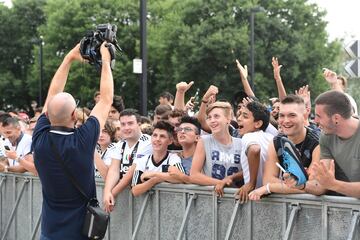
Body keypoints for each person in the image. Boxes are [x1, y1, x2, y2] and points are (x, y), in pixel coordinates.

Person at [32, 42, 113, 240]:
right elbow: (106, 100)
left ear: (47, 116)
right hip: (79, 233)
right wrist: (106, 61)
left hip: (50, 232)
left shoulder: (40, 138)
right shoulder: (83, 141)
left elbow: (52, 95)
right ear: (74, 116)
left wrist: (68, 58)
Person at [249, 95, 324, 200]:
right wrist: (296, 184)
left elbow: (313, 186)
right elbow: (268, 179)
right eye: (282, 115)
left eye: (292, 115)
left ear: (304, 115)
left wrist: (270, 188)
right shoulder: (276, 142)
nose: (286, 120)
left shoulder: (318, 142)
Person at [312, 90, 360, 197]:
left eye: (319, 116)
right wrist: (299, 184)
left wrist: (334, 184)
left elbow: (329, 183)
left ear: (336, 118)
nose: (315, 121)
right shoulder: (326, 137)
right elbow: (321, 186)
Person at [103, 109, 152, 212]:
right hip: (126, 200)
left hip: (144, 199)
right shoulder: (120, 145)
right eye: (123, 124)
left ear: (139, 124)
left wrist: (112, 194)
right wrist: (107, 192)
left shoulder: (147, 142)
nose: (126, 128)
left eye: (130, 123)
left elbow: (131, 172)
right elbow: (114, 170)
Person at [190, 101, 243, 197]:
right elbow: (194, 175)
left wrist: (232, 178)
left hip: (236, 199)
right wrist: (221, 183)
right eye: (209, 117)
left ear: (228, 119)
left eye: (216, 116)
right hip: (212, 198)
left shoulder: (241, 143)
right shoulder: (204, 141)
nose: (212, 120)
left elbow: (247, 171)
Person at [131, 121, 184, 196]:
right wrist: (154, 180)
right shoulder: (142, 160)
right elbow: (135, 190)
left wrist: (154, 174)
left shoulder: (173, 158)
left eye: (162, 136)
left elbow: (181, 179)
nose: (157, 139)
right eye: (155, 135)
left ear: (170, 141)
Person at [236, 101, 273, 202]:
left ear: (257, 123)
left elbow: (255, 150)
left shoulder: (248, 136)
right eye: (239, 115)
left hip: (255, 197)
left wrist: (251, 183)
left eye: (245, 116)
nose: (239, 118)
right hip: (272, 196)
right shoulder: (271, 137)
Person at [168, 116, 201, 183]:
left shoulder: (204, 159)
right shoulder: (171, 157)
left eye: (188, 129)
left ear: (197, 138)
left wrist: (181, 176)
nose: (182, 132)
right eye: (179, 129)